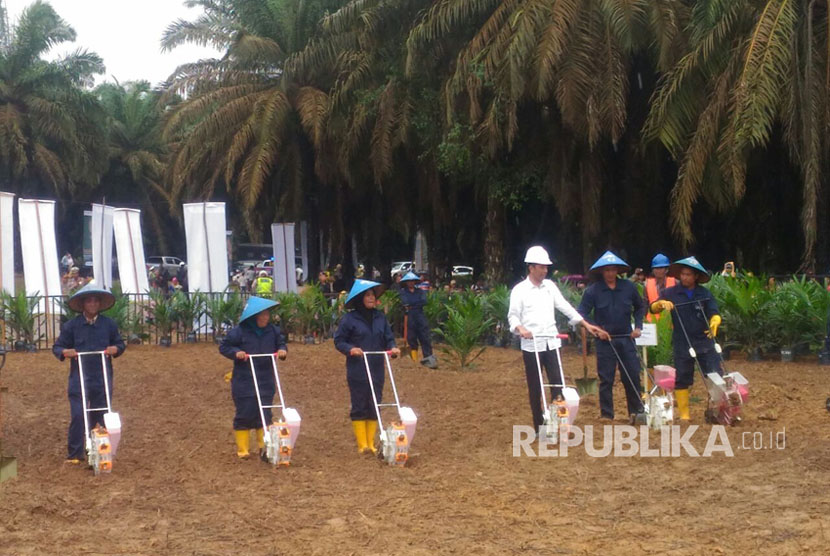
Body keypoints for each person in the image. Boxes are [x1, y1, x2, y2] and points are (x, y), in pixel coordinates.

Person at [507, 246, 606, 435]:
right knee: (535, 386)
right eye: (541, 267)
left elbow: (565, 307)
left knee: (558, 383)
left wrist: (585, 324)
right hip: (532, 345)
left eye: (546, 267)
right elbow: (513, 317)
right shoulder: (519, 291)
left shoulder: (550, 287)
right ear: (531, 267)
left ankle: (559, 422)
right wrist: (521, 329)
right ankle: (539, 426)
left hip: (551, 342)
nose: (545, 270)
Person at [52, 283, 126, 464]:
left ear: (99, 304)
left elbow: (120, 344)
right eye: (89, 301)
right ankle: (75, 453)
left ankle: (96, 449)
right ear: (83, 304)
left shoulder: (108, 324)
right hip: (79, 378)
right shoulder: (72, 326)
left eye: (96, 301)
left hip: (101, 377)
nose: (93, 304)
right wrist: (64, 352)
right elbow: (57, 346)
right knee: (78, 414)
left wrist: (115, 349)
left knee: (100, 415)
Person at [650, 256, 722, 421]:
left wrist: (715, 321)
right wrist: (660, 305)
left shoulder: (704, 294)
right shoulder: (671, 293)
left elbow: (714, 311)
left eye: (688, 275)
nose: (684, 277)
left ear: (696, 276)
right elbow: (653, 307)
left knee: (714, 374)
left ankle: (717, 409)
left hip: (704, 340)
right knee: (682, 377)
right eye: (682, 274)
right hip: (682, 341)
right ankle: (684, 415)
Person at [334, 279, 400, 455]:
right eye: (368, 295)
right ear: (360, 298)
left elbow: (388, 337)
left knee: (374, 402)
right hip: (358, 368)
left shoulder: (381, 317)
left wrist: (392, 347)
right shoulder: (349, 319)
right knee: (360, 403)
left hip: (377, 366)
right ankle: (362, 444)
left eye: (373, 295)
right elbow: (339, 341)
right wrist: (351, 349)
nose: (371, 298)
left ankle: (371, 442)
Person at [577, 251, 645, 421]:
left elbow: (639, 307)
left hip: (626, 338)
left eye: (613, 270)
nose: (610, 273)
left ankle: (636, 412)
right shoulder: (593, 291)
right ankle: (607, 414)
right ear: (601, 272)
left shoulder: (629, 287)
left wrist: (638, 326)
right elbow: (582, 313)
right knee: (606, 378)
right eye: (606, 270)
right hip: (605, 340)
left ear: (618, 271)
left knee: (632, 376)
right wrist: (596, 329)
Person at [219, 296, 288, 459]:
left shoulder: (273, 331)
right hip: (245, 378)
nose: (266, 318)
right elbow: (224, 346)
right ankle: (243, 448)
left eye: (267, 315)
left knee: (264, 412)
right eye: (262, 315)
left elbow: (281, 343)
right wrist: (237, 353)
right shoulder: (239, 332)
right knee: (245, 411)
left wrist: (283, 351)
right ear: (254, 317)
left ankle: (264, 446)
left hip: (265, 377)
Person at [399, 271, 438, 369]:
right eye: (409, 281)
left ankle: (428, 357)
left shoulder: (420, 291)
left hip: (420, 315)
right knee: (411, 337)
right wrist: (412, 304)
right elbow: (405, 302)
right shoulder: (403, 292)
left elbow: (424, 301)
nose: (411, 283)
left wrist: (412, 304)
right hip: (409, 316)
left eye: (412, 281)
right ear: (406, 282)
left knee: (425, 336)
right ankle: (414, 360)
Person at [644, 254, 676, 323]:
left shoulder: (675, 282)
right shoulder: (647, 284)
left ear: (666, 270)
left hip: (670, 323)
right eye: (656, 268)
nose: (658, 270)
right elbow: (644, 305)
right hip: (652, 323)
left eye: (661, 268)